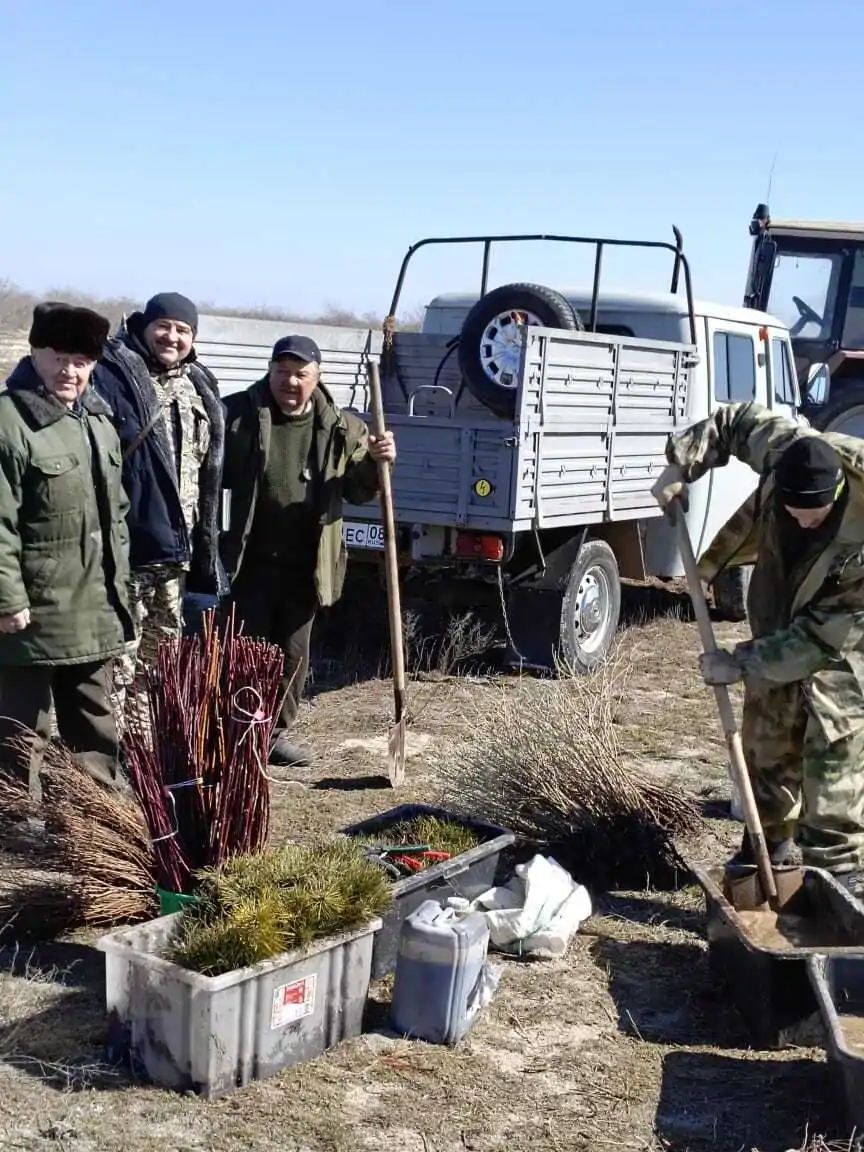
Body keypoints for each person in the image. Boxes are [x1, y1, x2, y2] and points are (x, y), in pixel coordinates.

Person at [652, 400, 864, 894]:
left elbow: (818, 638)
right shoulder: (786, 450)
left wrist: (740, 661)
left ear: (837, 495)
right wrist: (679, 465)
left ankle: (840, 877)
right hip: (778, 614)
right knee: (766, 741)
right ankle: (766, 847)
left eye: (814, 516)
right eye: (792, 513)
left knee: (834, 751)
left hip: (844, 640)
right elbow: (734, 420)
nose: (803, 522)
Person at [221, 334, 396, 766]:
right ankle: (236, 734)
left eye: (300, 374)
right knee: (243, 651)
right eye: (282, 372)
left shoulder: (343, 427)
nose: (290, 381)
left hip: (306, 565)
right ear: (270, 371)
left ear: (317, 378)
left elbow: (358, 490)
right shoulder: (236, 414)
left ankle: (272, 736)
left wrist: (378, 463)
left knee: (292, 658)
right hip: (248, 561)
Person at [0, 302, 135, 796]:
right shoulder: (9, 422)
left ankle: (94, 818)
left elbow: (115, 514)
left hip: (92, 607)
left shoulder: (98, 422)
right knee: (19, 730)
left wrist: (120, 590)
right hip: (31, 614)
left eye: (81, 361)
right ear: (34, 352)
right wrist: (7, 599)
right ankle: (16, 821)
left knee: (95, 726)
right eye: (57, 356)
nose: (69, 370)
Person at [91, 292, 225, 728]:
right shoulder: (110, 377)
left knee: (159, 660)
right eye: (163, 326)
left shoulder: (198, 384)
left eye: (183, 330)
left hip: (176, 554)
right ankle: (103, 756)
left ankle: (141, 751)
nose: (172, 336)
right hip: (127, 548)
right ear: (143, 327)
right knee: (116, 661)